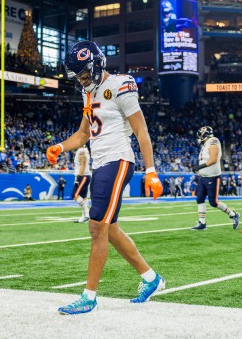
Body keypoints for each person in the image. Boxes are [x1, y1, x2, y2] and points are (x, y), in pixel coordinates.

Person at [46, 40, 164, 315]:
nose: (82, 80)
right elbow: (83, 134)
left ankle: (89, 296)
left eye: (85, 74)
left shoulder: (121, 85)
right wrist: (60, 147)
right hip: (100, 164)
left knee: (96, 227)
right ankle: (151, 278)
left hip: (118, 160)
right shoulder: (88, 94)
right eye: (79, 77)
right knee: (109, 230)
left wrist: (151, 171)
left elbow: (141, 131)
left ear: (97, 65)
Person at [191, 126, 240, 230]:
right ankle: (202, 223)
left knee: (214, 202)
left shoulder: (213, 141)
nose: (199, 137)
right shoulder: (206, 143)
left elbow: (213, 159)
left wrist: (199, 167)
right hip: (203, 177)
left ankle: (233, 214)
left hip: (212, 177)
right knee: (199, 198)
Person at [72, 145, 91, 222]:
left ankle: (87, 213)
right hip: (85, 175)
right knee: (83, 197)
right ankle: (84, 217)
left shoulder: (81, 151)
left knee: (74, 195)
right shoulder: (85, 150)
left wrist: (78, 178)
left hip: (83, 176)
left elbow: (83, 163)